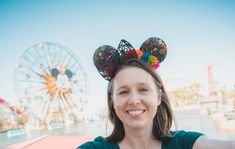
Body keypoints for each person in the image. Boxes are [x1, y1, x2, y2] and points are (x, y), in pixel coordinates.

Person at [77, 37, 235, 149]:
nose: (134, 100)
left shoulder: (186, 143)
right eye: (123, 92)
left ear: (159, 97)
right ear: (112, 100)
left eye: (143, 89)